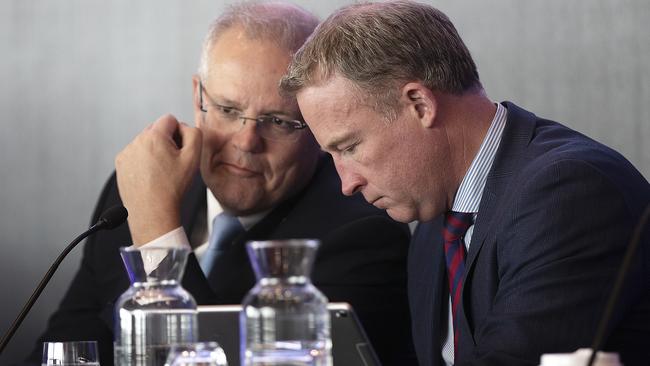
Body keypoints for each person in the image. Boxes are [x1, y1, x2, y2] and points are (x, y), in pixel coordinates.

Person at [25, 2, 416, 365]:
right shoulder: (134, 189)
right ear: (198, 98)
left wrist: (156, 228)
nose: (247, 142)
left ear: (316, 124)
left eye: (279, 121)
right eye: (228, 110)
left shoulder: (365, 232)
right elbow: (69, 346)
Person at [279, 1, 650, 365]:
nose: (347, 183)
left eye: (350, 147)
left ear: (420, 105)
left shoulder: (571, 192)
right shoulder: (432, 219)